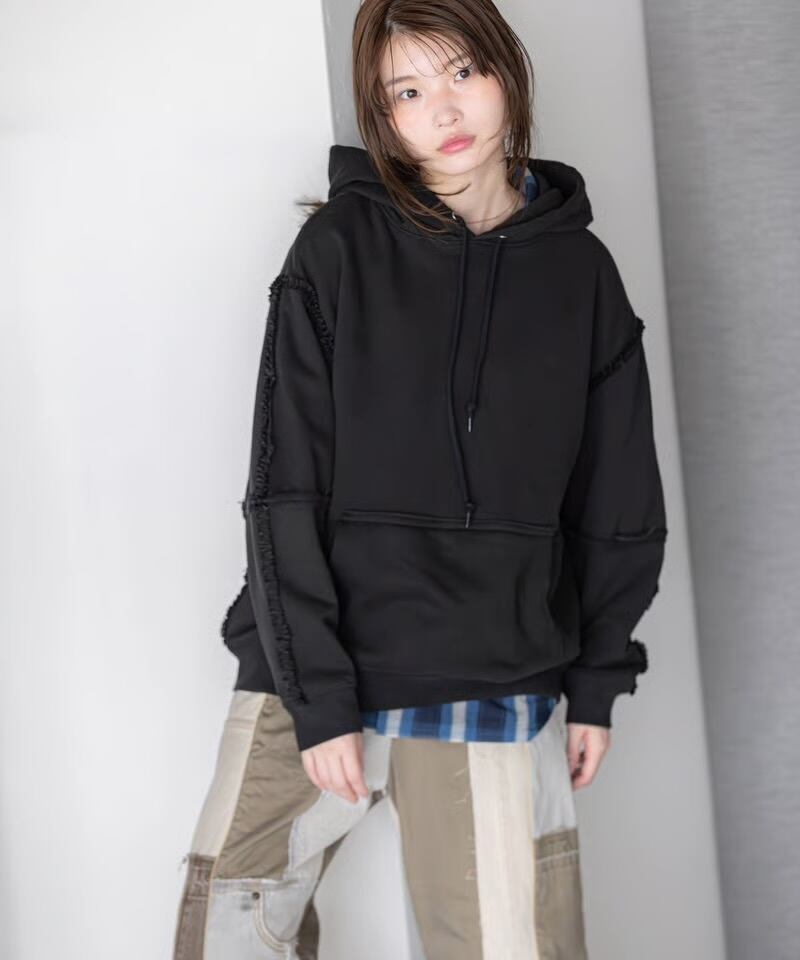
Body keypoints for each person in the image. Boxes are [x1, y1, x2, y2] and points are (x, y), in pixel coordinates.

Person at [172, 1, 668, 957]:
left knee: (505, 943)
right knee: (223, 931)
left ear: (506, 72)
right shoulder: (336, 252)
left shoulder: (582, 276)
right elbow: (283, 487)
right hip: (309, 664)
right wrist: (320, 698)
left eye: (462, 72)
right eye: (406, 91)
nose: (443, 109)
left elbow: (617, 499)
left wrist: (598, 678)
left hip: (491, 669)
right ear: (381, 115)